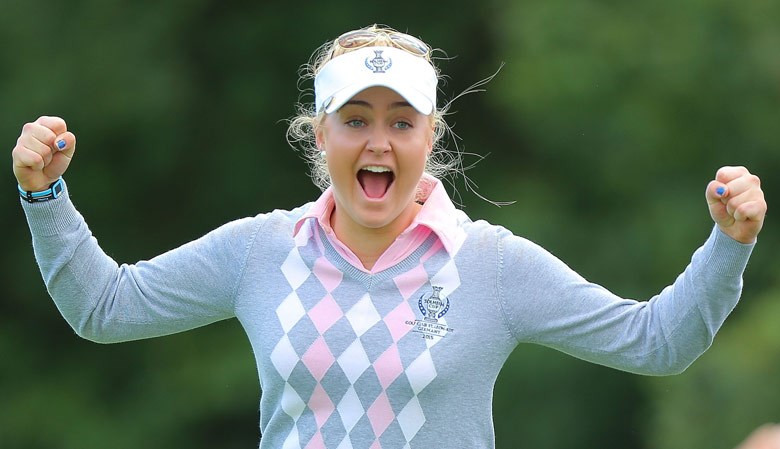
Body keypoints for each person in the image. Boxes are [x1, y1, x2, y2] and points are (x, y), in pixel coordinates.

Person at [12, 24, 767, 449]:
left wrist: (726, 244)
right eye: (357, 119)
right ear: (321, 132)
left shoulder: (490, 265)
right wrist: (44, 195)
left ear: (430, 134)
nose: (379, 142)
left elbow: (657, 340)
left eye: (401, 122)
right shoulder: (261, 250)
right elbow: (102, 307)